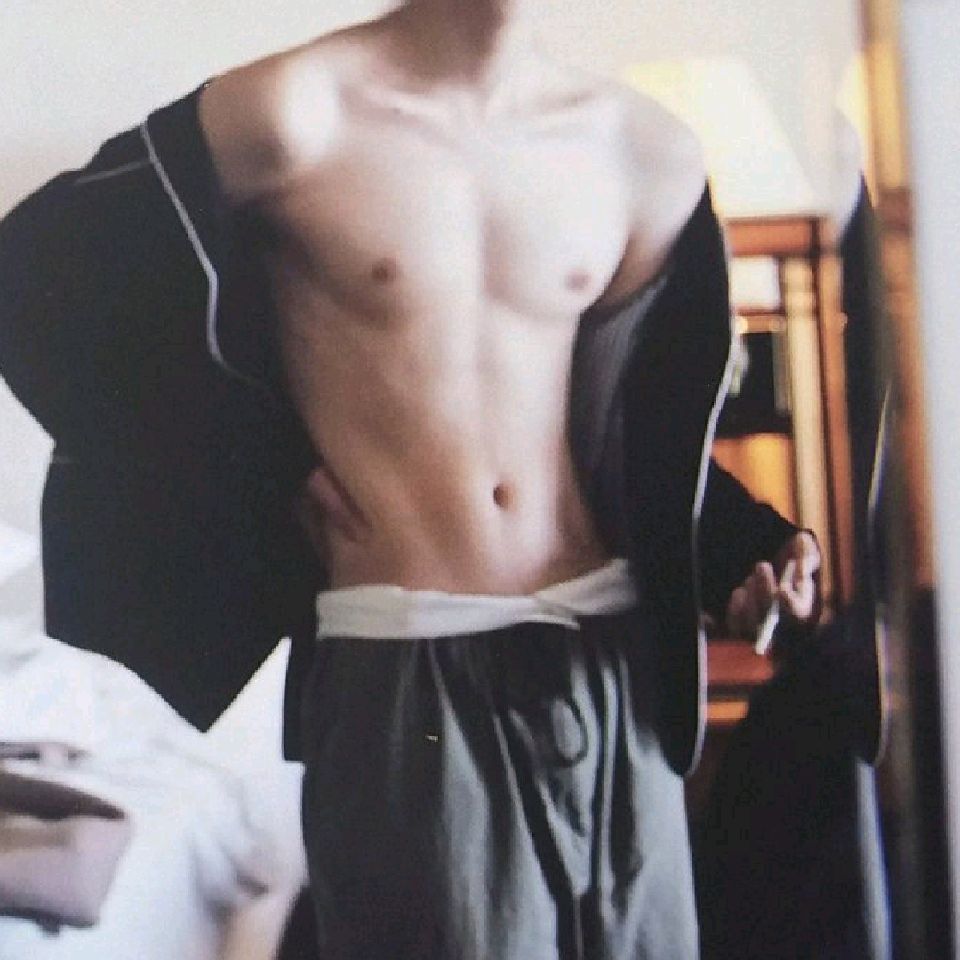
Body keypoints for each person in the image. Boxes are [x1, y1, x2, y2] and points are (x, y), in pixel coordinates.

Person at [0, 2, 820, 957]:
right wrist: (262, 463)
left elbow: (628, 426)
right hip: (409, 651)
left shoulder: (644, 150)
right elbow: (31, 280)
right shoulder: (294, 115)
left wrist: (744, 549)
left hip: (610, 656)